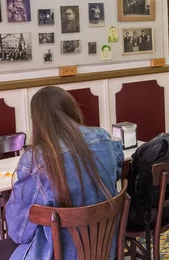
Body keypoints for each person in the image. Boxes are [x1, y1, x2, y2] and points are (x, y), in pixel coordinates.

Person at [3, 86, 123, 259]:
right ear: (71, 108)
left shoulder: (35, 161)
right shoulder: (103, 137)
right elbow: (116, 173)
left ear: (37, 121)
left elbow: (17, 231)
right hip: (107, 250)